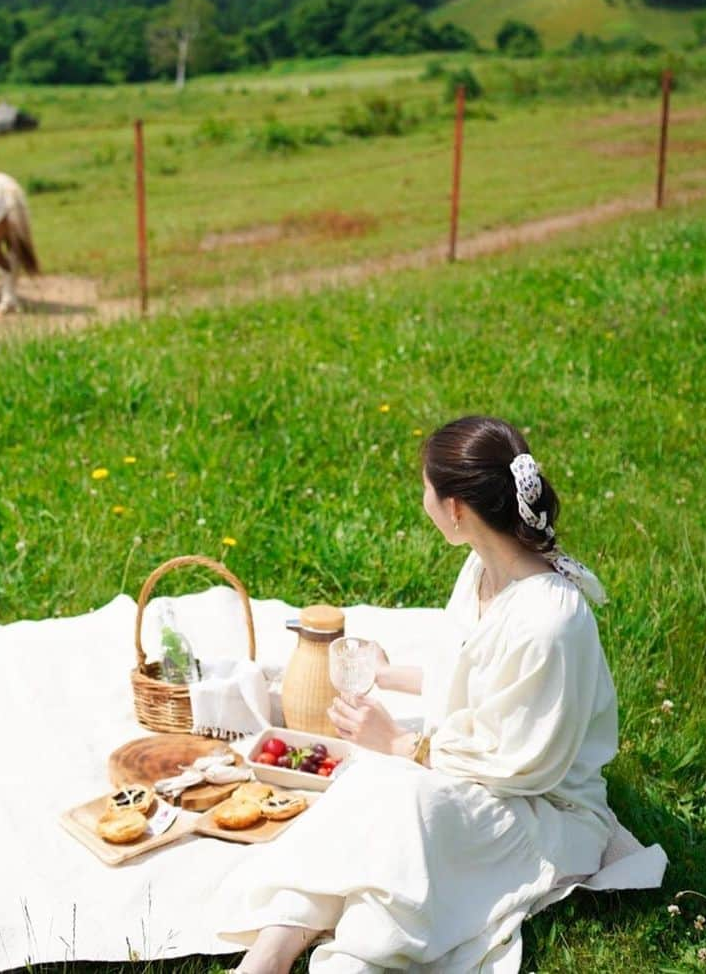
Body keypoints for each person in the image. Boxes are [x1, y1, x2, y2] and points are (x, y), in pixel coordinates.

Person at [218, 415, 625, 974]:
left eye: (427, 491)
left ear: (456, 509)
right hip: (478, 773)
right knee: (368, 784)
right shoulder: (482, 570)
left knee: (407, 806)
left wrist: (405, 745)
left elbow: (526, 763)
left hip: (545, 810)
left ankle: (356, 958)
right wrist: (389, 675)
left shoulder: (552, 620)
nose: (424, 501)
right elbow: (475, 675)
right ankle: (275, 946)